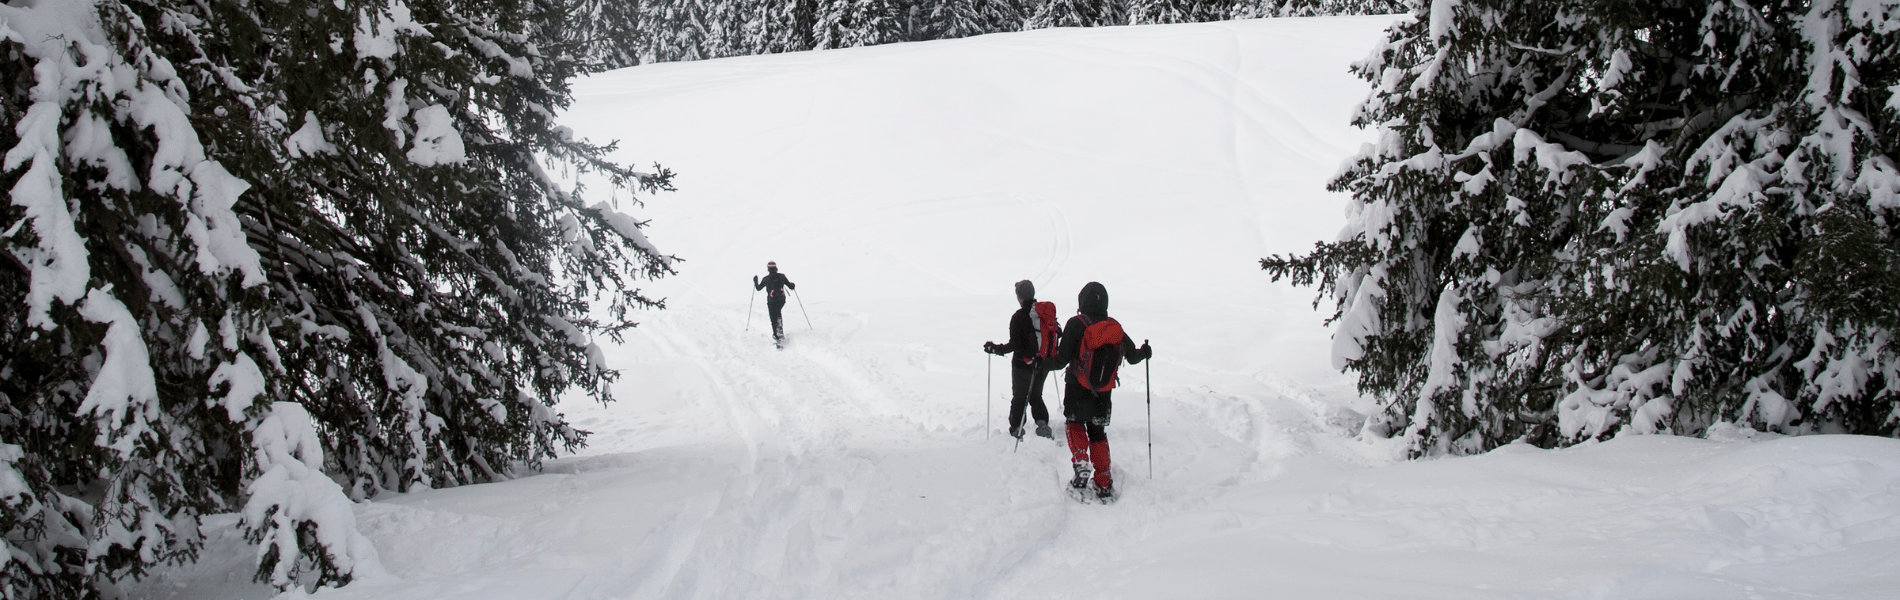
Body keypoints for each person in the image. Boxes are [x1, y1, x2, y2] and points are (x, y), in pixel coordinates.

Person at [1045, 282, 1151, 500]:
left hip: (1076, 387)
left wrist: (1041, 363)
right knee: (1097, 432)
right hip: (1103, 393)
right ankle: (1103, 481)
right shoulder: (1114, 327)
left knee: (1074, 423)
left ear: (1082, 301)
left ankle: (1081, 465)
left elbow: (1060, 360)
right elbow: (1132, 357)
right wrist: (1145, 352)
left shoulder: (1076, 324)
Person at [983, 280, 1055, 441]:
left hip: (1023, 365)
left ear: (1020, 297)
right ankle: (1042, 424)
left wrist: (995, 349)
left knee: (1019, 398)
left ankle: (1016, 429)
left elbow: (1015, 344)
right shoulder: (1045, 313)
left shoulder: (1018, 317)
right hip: (1044, 363)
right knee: (1036, 395)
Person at [753, 262, 796, 344]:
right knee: (778, 312)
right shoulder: (782, 276)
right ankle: (780, 331)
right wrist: (793, 285)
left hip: (771, 301)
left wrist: (755, 281)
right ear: (776, 268)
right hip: (781, 300)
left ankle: (778, 336)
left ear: (768, 269)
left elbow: (758, 288)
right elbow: (791, 286)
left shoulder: (766, 279)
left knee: (773, 318)